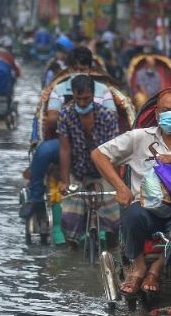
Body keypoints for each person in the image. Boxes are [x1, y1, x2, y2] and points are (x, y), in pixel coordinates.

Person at [91, 88, 171, 295]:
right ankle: (138, 267)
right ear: (157, 114)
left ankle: (156, 268)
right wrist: (120, 187)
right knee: (131, 215)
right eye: (166, 110)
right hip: (145, 208)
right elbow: (98, 154)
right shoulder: (139, 137)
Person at [20, 47, 118, 220]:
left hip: (98, 140)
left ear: (90, 69)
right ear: (69, 69)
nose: (79, 72)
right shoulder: (60, 88)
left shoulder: (102, 89)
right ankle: (35, 198)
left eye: (83, 69)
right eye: (75, 69)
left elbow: (113, 116)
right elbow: (51, 119)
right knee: (42, 152)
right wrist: (74, 115)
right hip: (66, 136)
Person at [56, 75, 121, 244]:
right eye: (78, 99)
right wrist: (64, 181)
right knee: (69, 217)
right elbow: (65, 149)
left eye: (86, 98)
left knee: (114, 218)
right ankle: (72, 249)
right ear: (73, 96)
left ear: (92, 95)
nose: (82, 103)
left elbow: (113, 152)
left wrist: (115, 182)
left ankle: (113, 250)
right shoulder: (65, 114)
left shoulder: (108, 116)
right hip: (77, 170)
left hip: (104, 172)